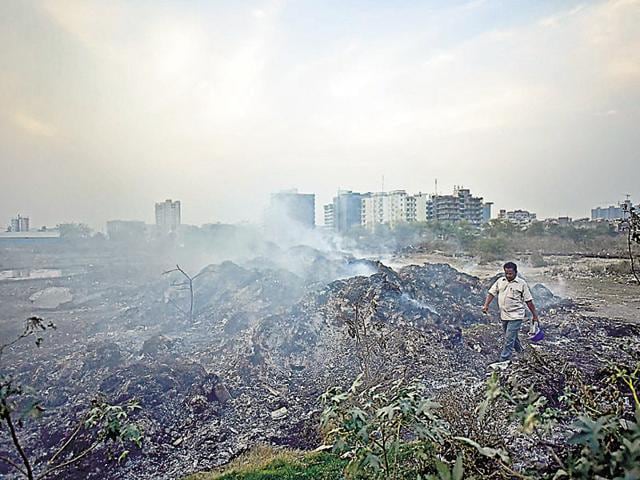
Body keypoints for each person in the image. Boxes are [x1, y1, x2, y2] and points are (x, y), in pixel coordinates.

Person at [482, 261, 538, 365]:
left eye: (510, 273)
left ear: (516, 272)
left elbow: (529, 301)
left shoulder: (521, 284)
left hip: (516, 316)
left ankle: (503, 360)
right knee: (512, 337)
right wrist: (486, 305)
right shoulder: (500, 281)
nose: (508, 276)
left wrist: (535, 315)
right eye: (506, 273)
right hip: (504, 315)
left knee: (508, 339)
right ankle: (523, 354)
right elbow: (491, 293)